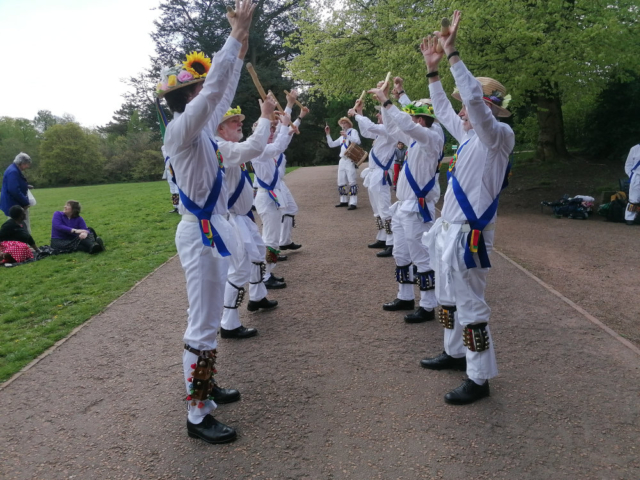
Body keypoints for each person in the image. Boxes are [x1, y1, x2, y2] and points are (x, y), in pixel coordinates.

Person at [158, 0, 264, 445]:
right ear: (188, 97)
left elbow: (220, 91)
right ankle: (197, 413)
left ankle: (207, 383)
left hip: (213, 231)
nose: (211, 95)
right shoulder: (181, 130)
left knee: (207, 318)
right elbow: (216, 91)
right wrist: (235, 36)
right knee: (200, 323)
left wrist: (237, 53)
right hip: (199, 234)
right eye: (200, 89)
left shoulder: (202, 134)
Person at [420, 12, 515, 405]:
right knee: (446, 295)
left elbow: (472, 101)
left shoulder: (498, 136)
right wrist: (433, 73)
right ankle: (454, 352)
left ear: (490, 109)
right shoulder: (469, 137)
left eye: (470, 107)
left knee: (472, 306)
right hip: (448, 231)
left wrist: (453, 53)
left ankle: (479, 379)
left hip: (471, 235)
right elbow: (444, 112)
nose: (461, 111)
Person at [368, 82, 444, 324]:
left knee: (421, 256)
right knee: (401, 253)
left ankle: (428, 305)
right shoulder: (414, 138)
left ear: (421, 119)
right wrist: (384, 102)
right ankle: (405, 296)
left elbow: (405, 124)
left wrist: (388, 101)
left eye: (414, 116)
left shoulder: (431, 137)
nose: (411, 119)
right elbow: (393, 127)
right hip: (403, 206)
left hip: (417, 207)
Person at [252, 101, 303, 289]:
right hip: (266, 197)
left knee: (271, 237)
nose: (271, 131)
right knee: (270, 238)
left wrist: (285, 124)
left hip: (271, 195)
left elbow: (280, 144)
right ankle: (265, 276)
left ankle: (268, 273)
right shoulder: (259, 150)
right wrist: (284, 124)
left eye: (272, 129)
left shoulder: (265, 149)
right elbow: (278, 146)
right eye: (268, 129)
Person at [348, 94, 395, 258]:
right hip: (374, 174)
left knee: (384, 208)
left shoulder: (391, 130)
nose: (377, 115)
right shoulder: (381, 132)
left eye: (380, 113)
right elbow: (367, 131)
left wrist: (357, 115)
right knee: (377, 208)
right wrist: (359, 113)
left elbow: (371, 127)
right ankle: (382, 237)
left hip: (381, 174)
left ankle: (392, 241)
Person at [326, 118, 361, 210]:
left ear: (349, 124)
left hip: (350, 159)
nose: (343, 125)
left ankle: (353, 202)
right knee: (341, 180)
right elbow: (331, 144)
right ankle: (343, 201)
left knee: (352, 180)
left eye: (345, 123)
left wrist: (347, 136)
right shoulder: (342, 137)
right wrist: (328, 134)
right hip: (342, 160)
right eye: (342, 123)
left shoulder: (353, 131)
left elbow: (357, 141)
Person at [1, 152, 33, 233]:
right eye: (26, 164)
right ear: (21, 163)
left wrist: (26, 186)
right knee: (21, 228)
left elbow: (15, 185)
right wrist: (25, 202)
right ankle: (24, 244)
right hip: (14, 204)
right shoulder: (13, 171)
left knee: (18, 227)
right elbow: (14, 190)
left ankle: (21, 243)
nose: (27, 166)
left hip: (13, 203)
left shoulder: (13, 169)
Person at [624, 143, 640, 224]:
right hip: (637, 177)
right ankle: (630, 218)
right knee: (633, 199)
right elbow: (628, 164)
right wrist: (631, 175)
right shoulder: (635, 148)